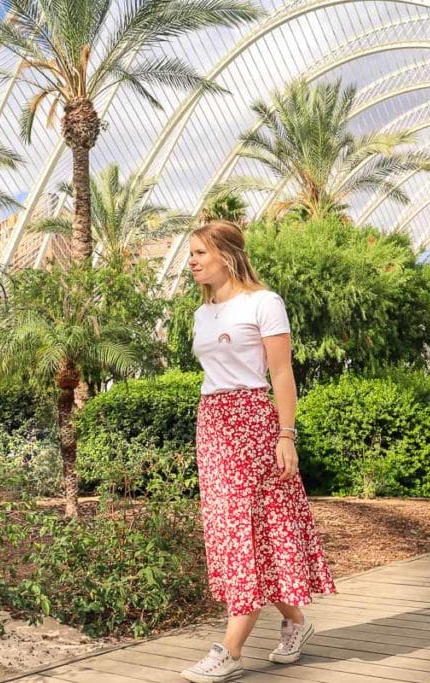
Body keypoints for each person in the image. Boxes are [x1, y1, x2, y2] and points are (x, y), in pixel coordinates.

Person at [180, 220, 336, 683]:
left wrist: (285, 435)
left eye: (199, 253)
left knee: (246, 531)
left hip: (252, 420)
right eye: (191, 254)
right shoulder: (201, 313)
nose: (191, 261)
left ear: (226, 254)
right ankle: (295, 622)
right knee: (237, 531)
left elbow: (282, 375)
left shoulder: (264, 303)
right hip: (212, 421)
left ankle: (229, 650)